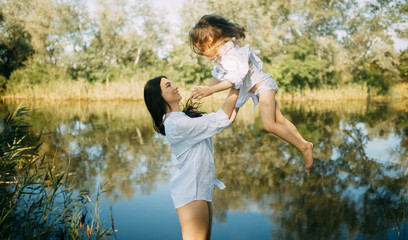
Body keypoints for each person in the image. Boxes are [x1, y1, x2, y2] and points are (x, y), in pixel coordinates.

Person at [189, 14, 314, 170]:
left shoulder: (230, 54)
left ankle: (303, 147)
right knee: (279, 120)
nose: (202, 51)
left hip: (263, 86)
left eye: (201, 47)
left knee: (269, 125)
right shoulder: (222, 56)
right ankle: (306, 143)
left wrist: (211, 90)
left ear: (209, 40)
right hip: (254, 90)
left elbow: (235, 78)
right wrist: (205, 88)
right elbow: (218, 77)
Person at [144, 76, 239, 240]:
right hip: (191, 190)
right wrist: (237, 81)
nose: (175, 86)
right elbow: (219, 120)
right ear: (159, 97)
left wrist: (238, 86)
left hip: (201, 188)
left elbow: (225, 118)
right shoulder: (176, 124)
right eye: (168, 85)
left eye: (172, 83)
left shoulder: (183, 119)